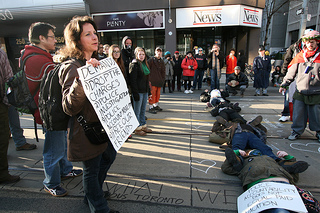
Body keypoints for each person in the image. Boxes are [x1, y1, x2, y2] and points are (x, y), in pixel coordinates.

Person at [58, 16, 118, 213]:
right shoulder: (71, 66)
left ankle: (93, 194)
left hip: (102, 126)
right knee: (91, 170)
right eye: (87, 34)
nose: (95, 37)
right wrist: (83, 78)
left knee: (108, 157)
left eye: (95, 33)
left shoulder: (95, 61)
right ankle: (99, 207)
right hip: (85, 130)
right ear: (76, 40)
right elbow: (69, 106)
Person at [22, 22, 82, 197]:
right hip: (49, 113)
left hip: (53, 110)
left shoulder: (41, 56)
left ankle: (65, 170)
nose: (55, 40)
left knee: (61, 144)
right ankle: (51, 182)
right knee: (54, 148)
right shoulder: (37, 59)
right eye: (51, 37)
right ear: (41, 38)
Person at [279, 30, 320, 142]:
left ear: (317, 42)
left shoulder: (319, 57)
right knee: (298, 114)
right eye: (308, 42)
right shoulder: (300, 56)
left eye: (312, 42)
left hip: (316, 92)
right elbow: (291, 72)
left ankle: (319, 132)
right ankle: (296, 131)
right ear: (305, 43)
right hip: (301, 91)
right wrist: (284, 84)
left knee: (316, 115)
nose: (310, 44)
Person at [278, 30, 311, 122]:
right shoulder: (294, 48)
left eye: (312, 41)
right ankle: (286, 113)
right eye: (308, 40)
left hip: (311, 80)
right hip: (295, 77)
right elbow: (287, 61)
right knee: (289, 97)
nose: (310, 44)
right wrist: (284, 78)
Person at [0, 48, 20, 184]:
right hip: (0, 102)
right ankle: (2, 173)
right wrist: (7, 101)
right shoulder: (1, 53)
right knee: (1, 139)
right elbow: (8, 77)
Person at [129, 47, 152, 136]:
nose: (141, 56)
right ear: (136, 55)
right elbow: (133, 81)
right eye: (140, 54)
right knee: (137, 111)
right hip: (138, 91)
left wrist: (149, 91)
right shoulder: (134, 64)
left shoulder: (144, 64)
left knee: (143, 110)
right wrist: (135, 93)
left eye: (143, 54)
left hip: (144, 91)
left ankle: (143, 125)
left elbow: (147, 80)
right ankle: (137, 128)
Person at [148, 47, 165, 114]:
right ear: (155, 52)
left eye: (160, 51)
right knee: (152, 94)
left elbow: (163, 71)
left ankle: (155, 105)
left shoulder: (162, 61)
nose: (159, 53)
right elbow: (147, 68)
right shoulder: (151, 60)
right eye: (157, 51)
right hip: (152, 81)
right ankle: (151, 107)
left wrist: (163, 79)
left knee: (157, 94)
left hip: (159, 81)